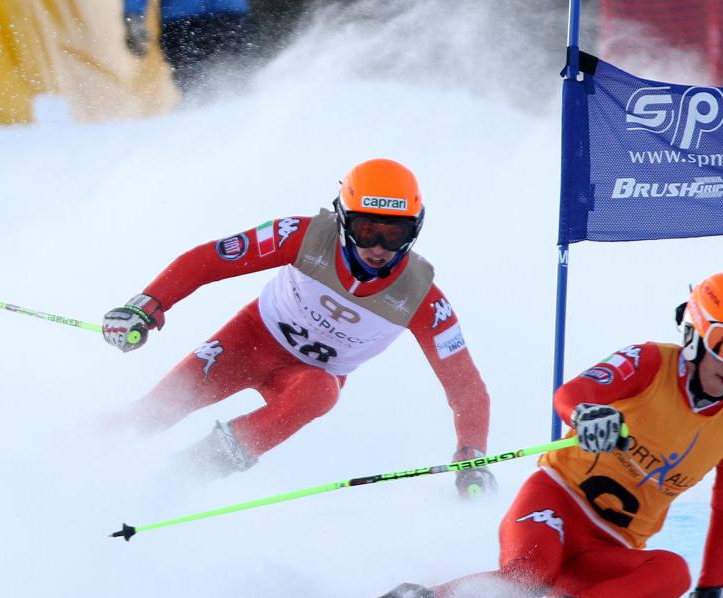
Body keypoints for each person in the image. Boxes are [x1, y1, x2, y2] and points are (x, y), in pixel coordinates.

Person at [354, 270, 723, 598]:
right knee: (531, 575)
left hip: (608, 549)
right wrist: (586, 415)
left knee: (672, 571)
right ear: (696, 333)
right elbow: (571, 394)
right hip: (554, 505)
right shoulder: (649, 362)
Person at [101, 158, 495, 497]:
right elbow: (209, 260)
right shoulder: (303, 235)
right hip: (248, 343)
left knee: (321, 392)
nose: (378, 247)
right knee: (150, 416)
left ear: (416, 230)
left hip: (307, 377)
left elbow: (465, 387)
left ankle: (182, 477)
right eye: (365, 229)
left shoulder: (423, 298)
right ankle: (72, 457)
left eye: (395, 234)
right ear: (342, 220)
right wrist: (147, 305)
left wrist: (471, 453)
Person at [123, 0, 251, 95]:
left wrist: (134, 15)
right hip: (186, 20)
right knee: (194, 82)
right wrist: (134, 16)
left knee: (236, 75)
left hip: (220, 15)